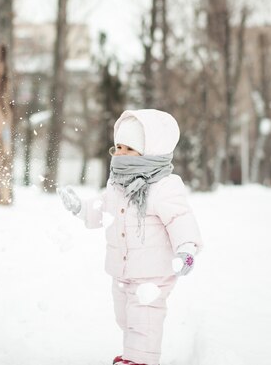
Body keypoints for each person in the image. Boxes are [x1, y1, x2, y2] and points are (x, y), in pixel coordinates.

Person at [58, 109, 203, 365]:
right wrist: (81, 207)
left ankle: (140, 359)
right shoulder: (117, 184)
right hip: (122, 271)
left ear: (149, 151)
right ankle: (132, 355)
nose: (121, 154)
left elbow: (180, 219)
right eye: (118, 147)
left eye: (130, 149)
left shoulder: (163, 186)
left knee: (144, 319)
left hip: (152, 274)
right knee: (125, 318)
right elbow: (104, 208)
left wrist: (187, 249)